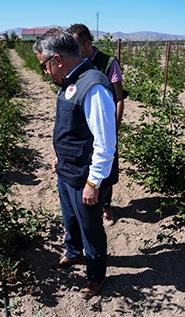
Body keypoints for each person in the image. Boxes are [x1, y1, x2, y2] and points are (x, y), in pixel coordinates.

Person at [33, 28, 117, 299]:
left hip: (84, 175)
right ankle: (72, 252)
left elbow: (105, 143)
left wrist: (94, 183)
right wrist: (60, 155)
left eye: (44, 65)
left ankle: (96, 274)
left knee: (90, 227)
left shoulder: (93, 86)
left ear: (57, 59)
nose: (44, 72)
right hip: (66, 169)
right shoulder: (70, 81)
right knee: (70, 218)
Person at [68, 23, 124, 226]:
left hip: (104, 123)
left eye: (75, 45)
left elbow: (119, 99)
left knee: (107, 169)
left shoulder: (108, 63)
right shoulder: (73, 63)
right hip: (83, 128)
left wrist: (113, 131)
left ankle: (106, 206)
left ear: (87, 43)